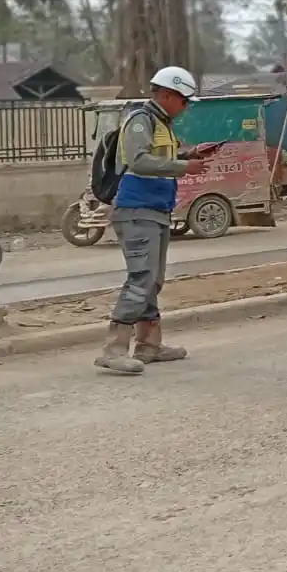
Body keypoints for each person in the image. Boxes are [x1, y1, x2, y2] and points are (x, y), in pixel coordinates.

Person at [95, 66, 214, 374]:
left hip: (156, 210)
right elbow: (140, 160)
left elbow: (160, 157)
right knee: (141, 278)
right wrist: (184, 167)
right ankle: (114, 348)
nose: (186, 106)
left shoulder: (162, 123)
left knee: (153, 280)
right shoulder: (140, 120)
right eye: (183, 100)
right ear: (166, 94)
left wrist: (188, 155)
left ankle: (149, 345)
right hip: (137, 209)